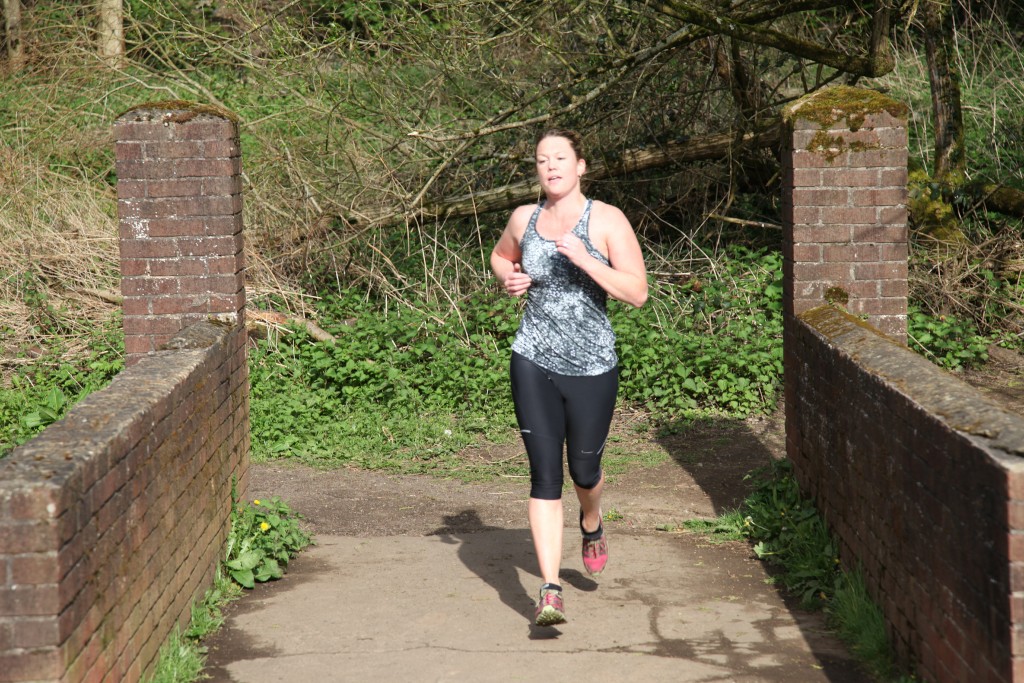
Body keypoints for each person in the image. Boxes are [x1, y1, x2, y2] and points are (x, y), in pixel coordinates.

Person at [490, 128, 648, 627]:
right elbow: (500, 256)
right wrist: (509, 278)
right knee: (544, 476)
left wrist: (584, 259)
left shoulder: (607, 220)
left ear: (580, 166)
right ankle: (550, 590)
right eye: (542, 160)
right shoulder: (524, 218)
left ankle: (592, 520)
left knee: (584, 470)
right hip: (532, 359)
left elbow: (637, 292)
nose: (551, 166)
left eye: (560, 157)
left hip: (592, 366)